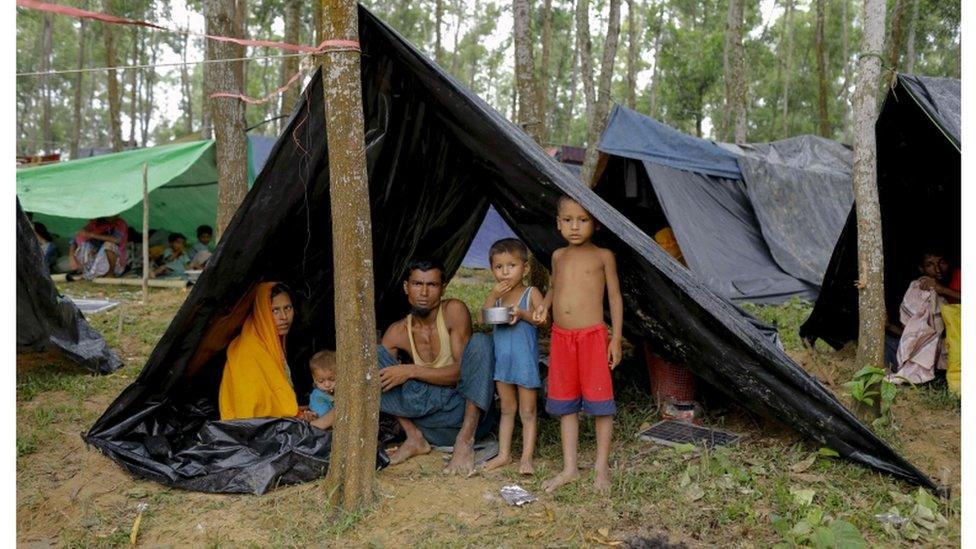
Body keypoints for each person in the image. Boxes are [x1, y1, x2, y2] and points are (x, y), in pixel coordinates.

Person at [533, 195, 623, 495]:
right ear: (558, 224)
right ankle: (570, 467)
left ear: (594, 224)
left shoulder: (603, 256)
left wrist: (616, 338)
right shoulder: (558, 256)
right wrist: (544, 306)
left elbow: (614, 298)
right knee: (566, 403)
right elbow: (555, 286)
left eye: (582, 220)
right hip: (561, 338)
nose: (575, 226)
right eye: (568, 220)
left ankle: (601, 467)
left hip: (592, 338)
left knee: (600, 405)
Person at [378, 258, 495, 475]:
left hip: (462, 412)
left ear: (443, 288)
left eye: (432, 285)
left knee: (481, 342)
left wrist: (411, 370)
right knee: (374, 358)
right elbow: (378, 381)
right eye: (417, 284)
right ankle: (413, 437)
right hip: (427, 423)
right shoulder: (398, 332)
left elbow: (463, 373)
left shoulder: (453, 311)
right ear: (406, 287)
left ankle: (464, 441)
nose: (424, 292)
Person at [480, 238, 545, 474]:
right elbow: (483, 318)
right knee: (507, 409)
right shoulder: (497, 297)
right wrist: (491, 294)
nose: (505, 272)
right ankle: (504, 455)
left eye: (511, 266)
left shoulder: (531, 292)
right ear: (492, 270)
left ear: (525, 268)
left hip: (524, 363)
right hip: (503, 364)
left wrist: (523, 313)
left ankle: (526, 458)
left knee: (527, 411)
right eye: (499, 267)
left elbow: (542, 320)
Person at [218, 282, 299, 420]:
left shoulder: (271, 342)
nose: (284, 317)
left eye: (287, 308)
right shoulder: (247, 351)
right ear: (262, 313)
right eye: (274, 310)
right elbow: (250, 416)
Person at [889, 249, 961, 385]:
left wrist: (943, 289)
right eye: (930, 265)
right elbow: (914, 335)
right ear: (921, 269)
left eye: (942, 262)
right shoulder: (920, 289)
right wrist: (889, 327)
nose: (938, 269)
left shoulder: (959, 277)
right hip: (938, 350)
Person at [306, 350, 337, 430]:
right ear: (314, 378)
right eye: (321, 381)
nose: (327, 385)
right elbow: (327, 422)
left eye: (332, 379)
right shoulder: (318, 398)